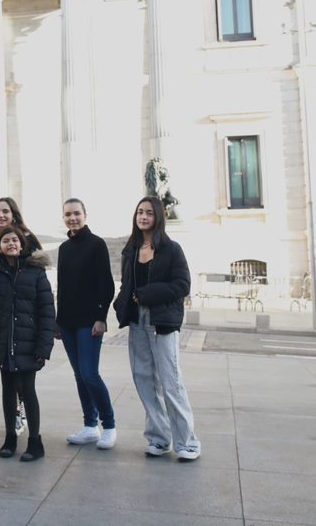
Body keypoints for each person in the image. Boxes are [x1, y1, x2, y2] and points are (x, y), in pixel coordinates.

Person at [113, 196, 201, 461]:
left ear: (158, 217)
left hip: (162, 321)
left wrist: (148, 294)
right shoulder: (131, 249)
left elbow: (182, 285)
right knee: (144, 379)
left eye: (149, 213)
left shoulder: (171, 249)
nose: (143, 217)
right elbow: (127, 284)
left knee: (170, 380)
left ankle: (187, 442)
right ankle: (158, 438)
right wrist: (122, 304)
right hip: (137, 321)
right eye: (140, 212)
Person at [0, 226, 55, 462]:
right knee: (8, 390)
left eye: (15, 240)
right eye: (5, 241)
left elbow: (47, 311)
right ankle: (10, 437)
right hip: (4, 340)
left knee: (28, 390)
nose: (11, 244)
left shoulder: (36, 272)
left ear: (22, 244)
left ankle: (35, 442)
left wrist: (43, 347)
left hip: (28, 342)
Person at [55, 198, 117, 450]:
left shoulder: (97, 245)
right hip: (68, 321)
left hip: (89, 321)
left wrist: (101, 317)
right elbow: (63, 287)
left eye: (77, 213)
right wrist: (58, 321)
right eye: (68, 214)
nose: (73, 218)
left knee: (90, 374)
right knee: (79, 375)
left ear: (85, 215)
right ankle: (90, 425)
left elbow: (107, 284)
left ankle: (109, 425)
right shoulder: (64, 248)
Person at [0, 196, 40, 435]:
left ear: (14, 214)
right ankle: (14, 417)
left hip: (23, 315)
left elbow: (35, 281)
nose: (0, 216)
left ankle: (22, 412)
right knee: (8, 372)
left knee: (22, 373)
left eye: (5, 211)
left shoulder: (28, 239)